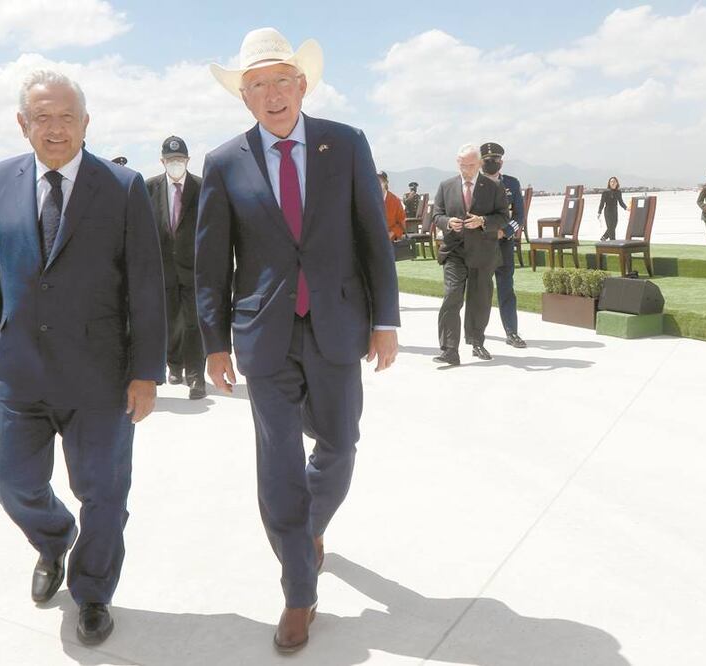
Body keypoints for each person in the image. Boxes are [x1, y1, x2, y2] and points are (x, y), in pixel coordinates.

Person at [197, 27, 399, 653]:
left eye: (281, 80)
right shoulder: (224, 163)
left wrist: (385, 320)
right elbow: (211, 263)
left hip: (338, 324)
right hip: (265, 335)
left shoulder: (347, 144)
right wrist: (214, 342)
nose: (271, 93)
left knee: (340, 445)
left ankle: (309, 527)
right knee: (278, 461)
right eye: (256, 84)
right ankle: (297, 592)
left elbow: (372, 234)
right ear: (245, 99)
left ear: (302, 85)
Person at [0, 69, 166, 647]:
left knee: (104, 492)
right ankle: (53, 539)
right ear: (22, 124)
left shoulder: (122, 187)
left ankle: (93, 592)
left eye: (66, 117)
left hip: (101, 376)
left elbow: (147, 287)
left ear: (86, 123)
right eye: (42, 118)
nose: (55, 128)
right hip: (21, 373)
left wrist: (147, 372)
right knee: (13, 482)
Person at [432, 143, 509, 365]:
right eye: (462, 165)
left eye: (471, 165)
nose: (466, 169)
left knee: (480, 300)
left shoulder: (493, 187)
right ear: (458, 163)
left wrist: (483, 221)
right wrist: (448, 222)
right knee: (452, 296)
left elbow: (503, 216)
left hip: (483, 253)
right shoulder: (446, 186)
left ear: (479, 164)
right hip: (454, 252)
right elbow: (437, 215)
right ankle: (449, 350)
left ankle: (477, 342)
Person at [146, 136, 207, 399]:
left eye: (180, 160)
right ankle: (174, 365)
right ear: (162, 161)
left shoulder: (202, 187)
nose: (175, 164)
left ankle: (196, 377)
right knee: (170, 321)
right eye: (171, 160)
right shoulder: (149, 188)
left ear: (188, 160)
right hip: (163, 268)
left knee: (194, 322)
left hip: (194, 268)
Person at [479, 142, 527, 349]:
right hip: (481, 245)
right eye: (488, 160)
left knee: (506, 288)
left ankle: (511, 332)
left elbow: (519, 215)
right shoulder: (473, 184)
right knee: (480, 290)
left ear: (502, 161)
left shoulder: (512, 184)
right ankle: (476, 335)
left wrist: (505, 232)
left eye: (495, 159)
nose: (492, 163)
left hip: (504, 244)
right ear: (481, 161)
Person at [597, 176, 627, 241]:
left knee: (613, 226)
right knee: (611, 228)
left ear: (617, 183)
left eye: (614, 181)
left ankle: (604, 238)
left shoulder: (618, 192)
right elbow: (602, 203)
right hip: (608, 211)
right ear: (609, 183)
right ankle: (613, 241)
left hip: (615, 211)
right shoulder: (605, 192)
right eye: (611, 181)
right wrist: (599, 212)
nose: (613, 183)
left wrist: (626, 208)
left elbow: (621, 202)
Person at [379, 171, 407, 240]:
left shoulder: (395, 201)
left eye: (380, 182)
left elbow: (401, 223)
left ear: (385, 183)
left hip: (392, 241)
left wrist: (392, 233)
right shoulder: (369, 200)